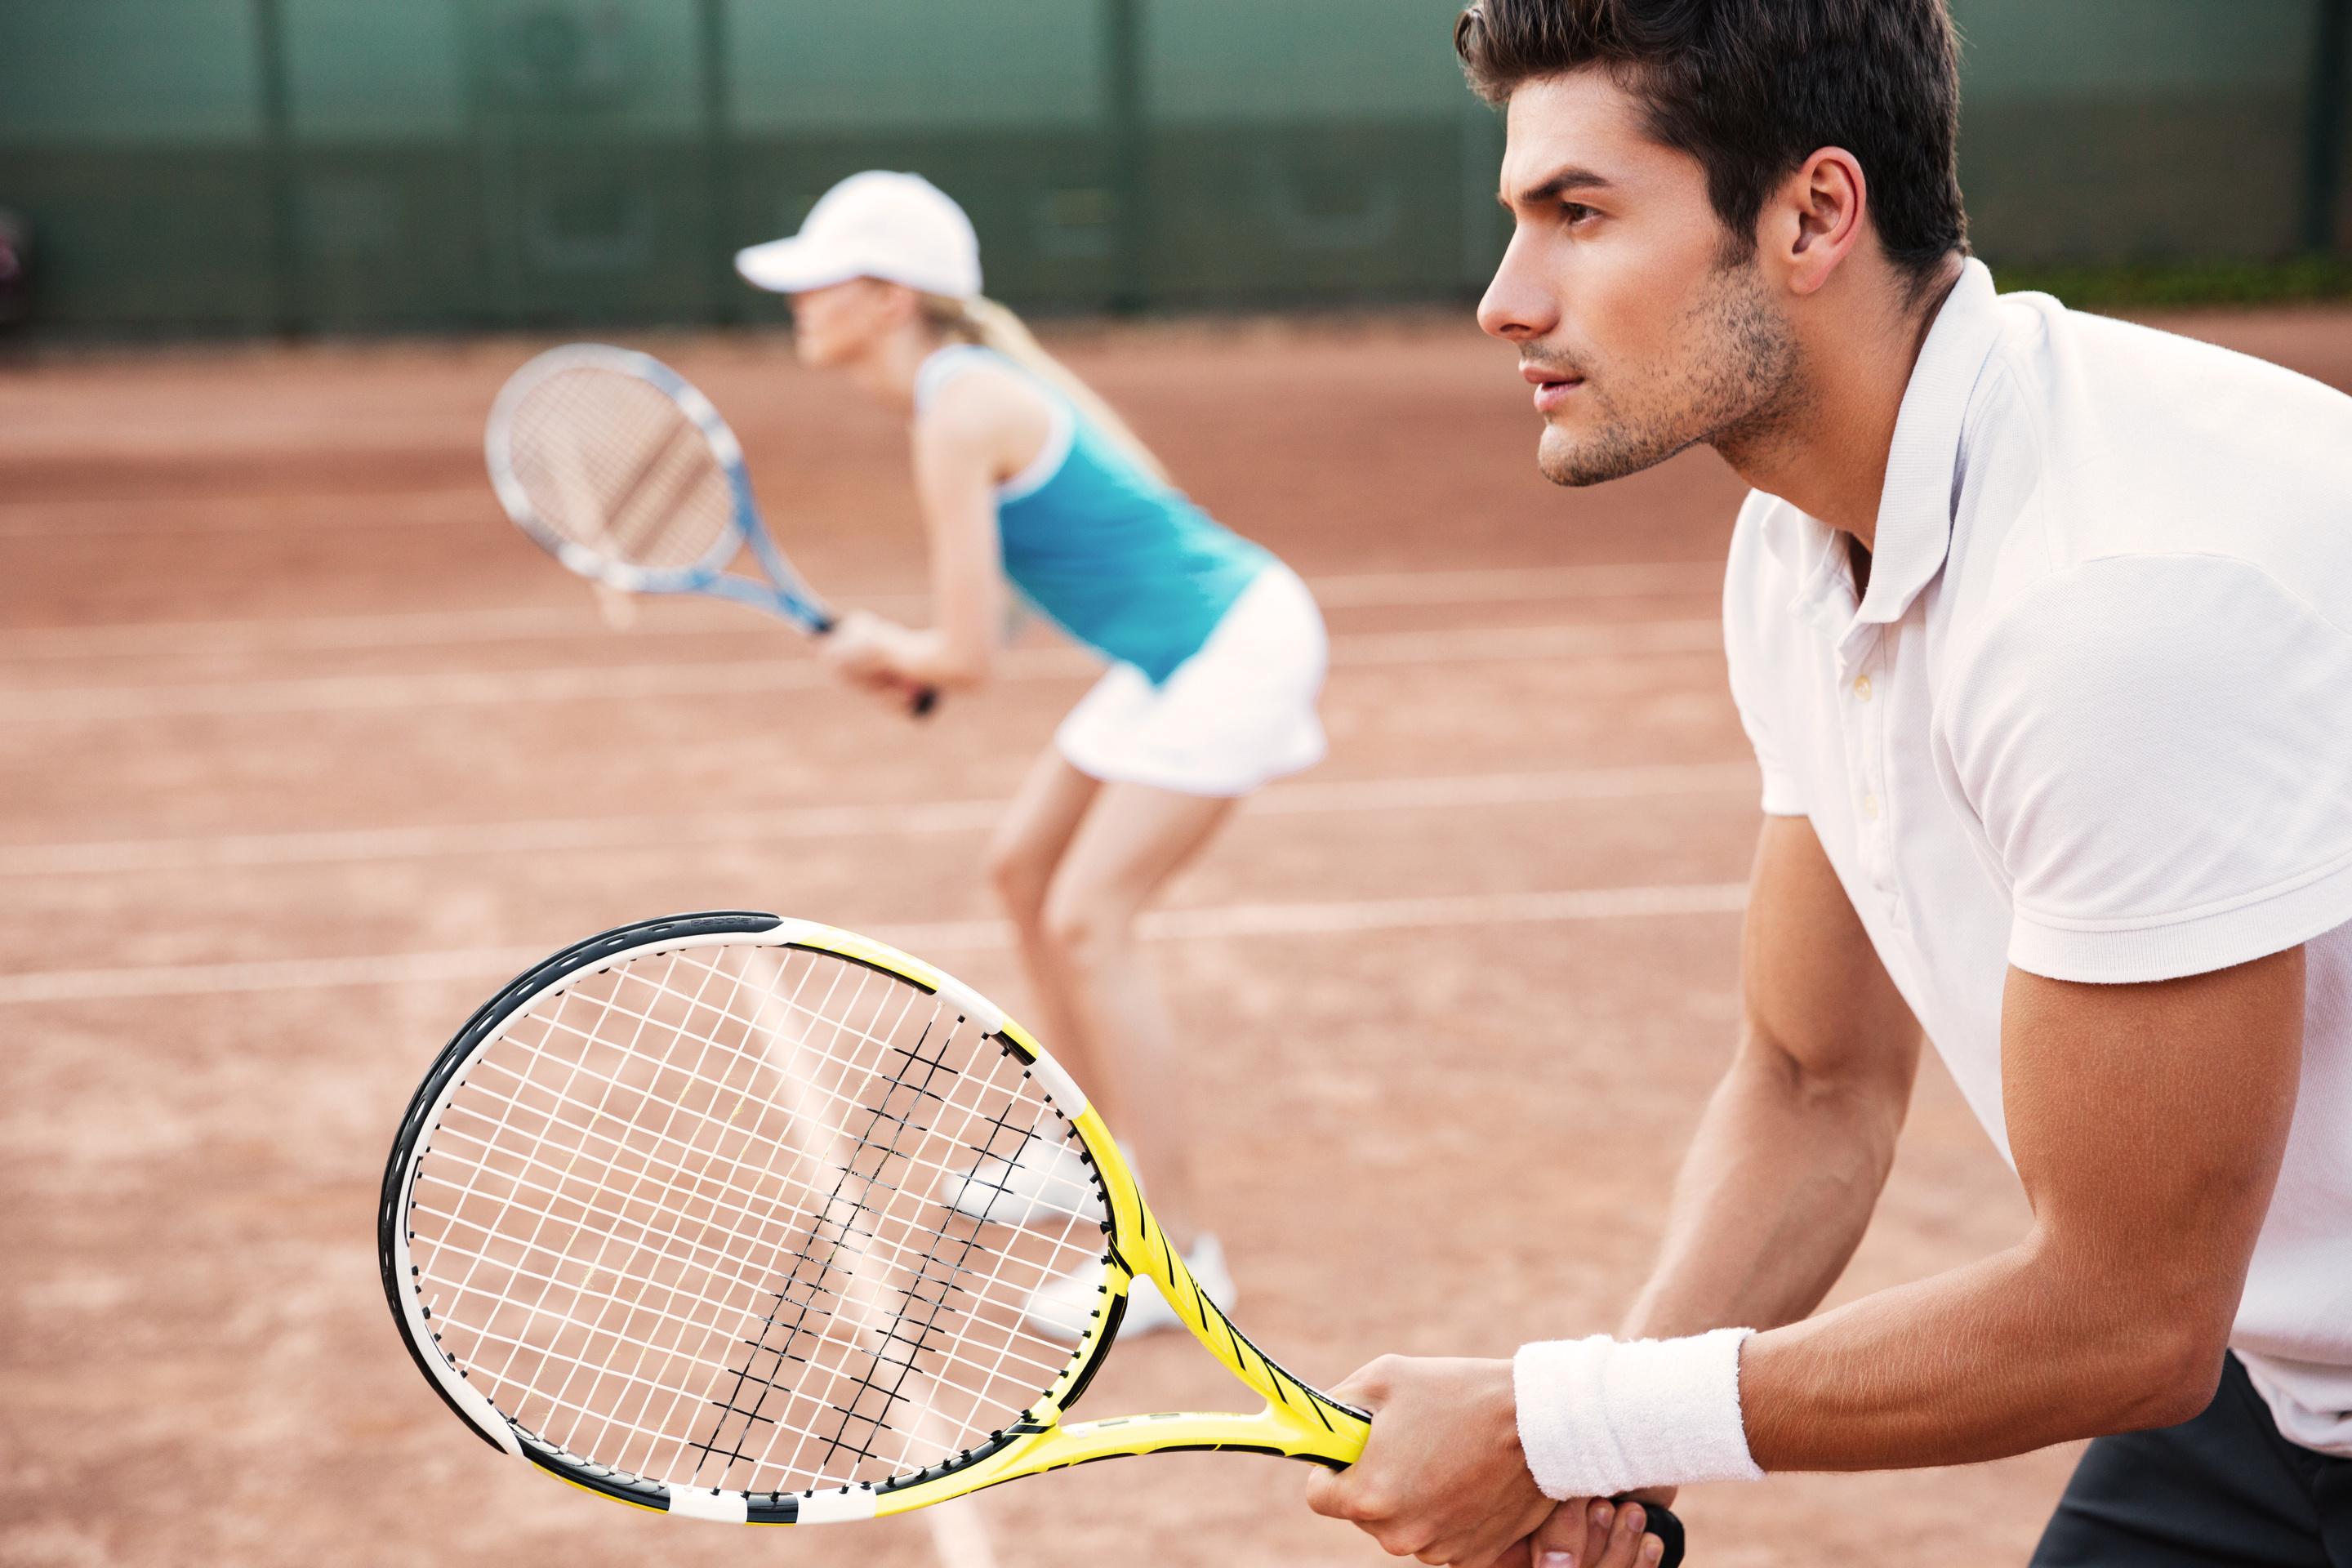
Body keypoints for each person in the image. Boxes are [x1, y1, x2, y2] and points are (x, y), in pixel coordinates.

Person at [1303, 3, 2352, 1566]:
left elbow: (2129, 1321)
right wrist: (1612, 1462)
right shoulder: (1800, 542)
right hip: (2276, 1394)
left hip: (2190, 1340)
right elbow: (1814, 1079)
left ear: (1813, 215)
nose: (1505, 299)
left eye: (1578, 213)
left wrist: (1569, 1425)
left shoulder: (2116, 602)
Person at [733, 172, 1330, 1336]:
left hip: (1235, 647)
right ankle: (1080, 1152)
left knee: (1088, 919)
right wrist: (914, 661)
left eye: (821, 279)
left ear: (888, 298)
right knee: (1022, 871)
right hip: (1177, 653)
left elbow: (965, 656)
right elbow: (1006, 598)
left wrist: (894, 650)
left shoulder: (958, 409)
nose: (799, 299)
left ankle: (1184, 1259)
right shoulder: (957, 393)